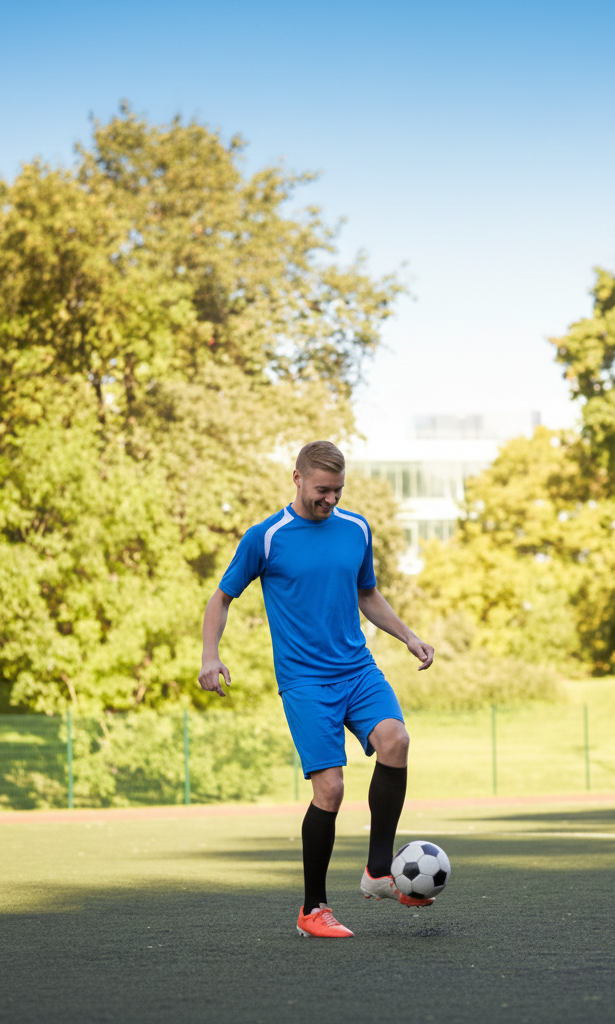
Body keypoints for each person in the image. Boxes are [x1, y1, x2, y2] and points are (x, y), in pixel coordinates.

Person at [198, 440, 434, 938]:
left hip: (357, 669)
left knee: (397, 740)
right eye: (322, 490)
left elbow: (367, 593)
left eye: (338, 490)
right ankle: (313, 910)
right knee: (330, 789)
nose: (330, 500)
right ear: (297, 479)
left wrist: (409, 635)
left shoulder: (356, 529)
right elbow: (221, 598)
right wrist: (210, 655)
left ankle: (377, 872)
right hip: (305, 682)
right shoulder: (266, 538)